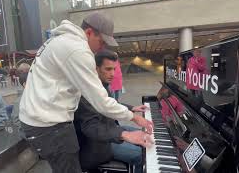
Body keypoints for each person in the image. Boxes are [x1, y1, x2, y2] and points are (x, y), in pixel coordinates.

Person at [19, 11, 153, 173]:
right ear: (89, 32)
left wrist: (130, 111)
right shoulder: (77, 50)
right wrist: (133, 119)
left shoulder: (60, 41)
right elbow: (101, 102)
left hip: (40, 123)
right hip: (49, 127)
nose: (102, 47)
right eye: (102, 41)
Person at [74, 50, 149, 173]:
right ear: (96, 68)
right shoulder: (87, 92)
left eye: (114, 69)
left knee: (145, 136)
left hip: (110, 129)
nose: (113, 74)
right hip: (97, 144)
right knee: (140, 154)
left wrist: (132, 108)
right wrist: (125, 135)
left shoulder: (102, 84)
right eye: (108, 69)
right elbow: (91, 127)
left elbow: (110, 104)